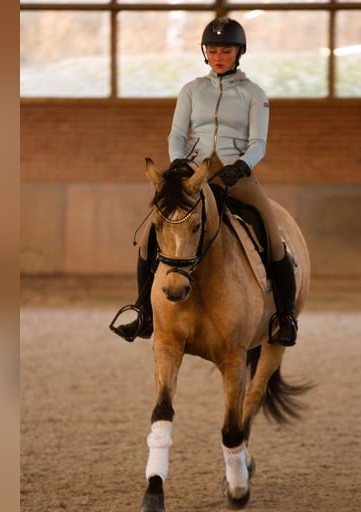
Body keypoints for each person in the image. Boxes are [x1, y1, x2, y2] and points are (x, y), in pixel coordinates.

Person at [110, 16, 298, 346]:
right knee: (148, 235)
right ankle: (143, 312)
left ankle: (285, 318)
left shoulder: (254, 94)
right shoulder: (192, 90)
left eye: (226, 50)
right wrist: (179, 163)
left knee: (272, 235)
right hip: (192, 176)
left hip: (234, 176)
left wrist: (241, 166)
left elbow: (258, 143)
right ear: (205, 53)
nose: (218, 56)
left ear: (239, 53)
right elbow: (177, 134)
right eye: (212, 50)